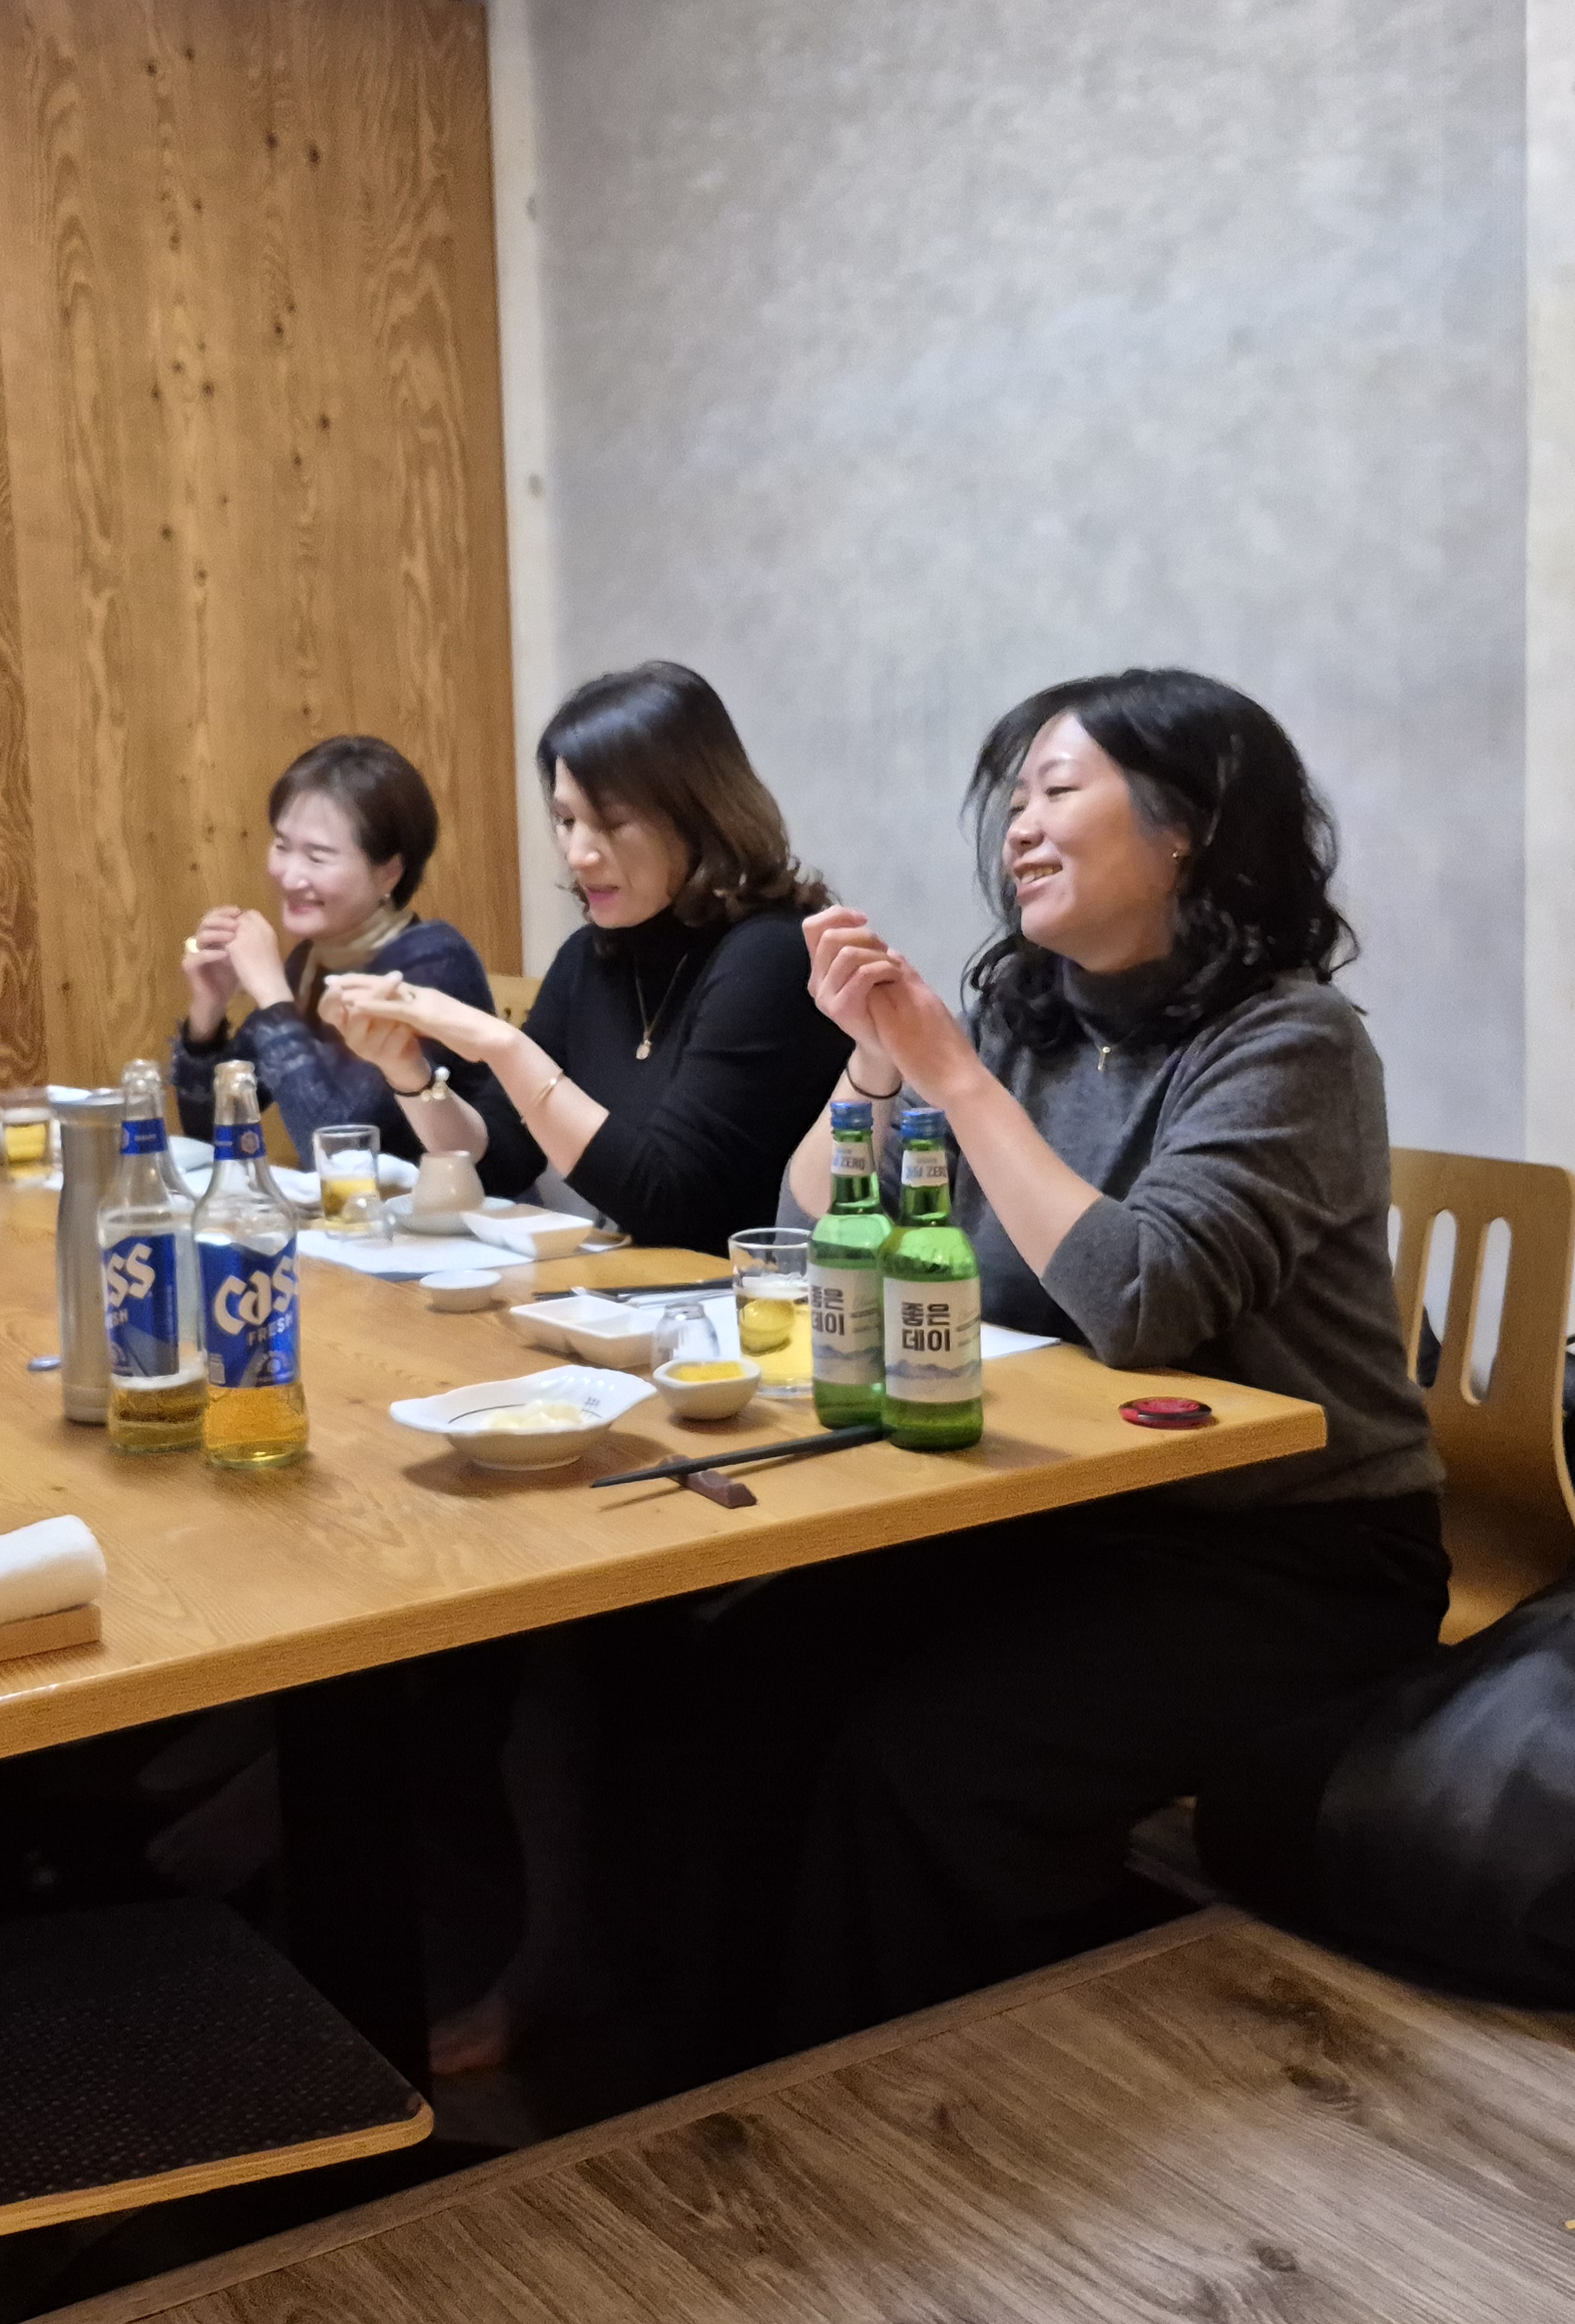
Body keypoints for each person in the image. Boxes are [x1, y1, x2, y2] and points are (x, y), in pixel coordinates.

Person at [598, 667, 1449, 2073]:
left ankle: (895, 2100)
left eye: (1059, 789)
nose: (1020, 826)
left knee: (927, 1762)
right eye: (1014, 799)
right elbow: (808, 1224)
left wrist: (953, 1072)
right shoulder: (1029, 1021)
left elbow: (1139, 1299)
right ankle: (702, 2070)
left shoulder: (1291, 1042)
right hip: (1069, 1506)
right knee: (737, 1671)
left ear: (1189, 828)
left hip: (1295, 1550)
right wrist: (876, 1069)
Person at [322, 663, 848, 1255]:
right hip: (645, 1293)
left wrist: (503, 1046)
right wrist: (409, 1074)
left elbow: (673, 1204)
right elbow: (497, 1162)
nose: (577, 854)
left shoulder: (771, 954)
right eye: (566, 820)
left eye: (612, 823)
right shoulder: (591, 956)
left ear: (700, 815)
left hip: (765, 1299)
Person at [170, 735, 493, 1160]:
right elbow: (210, 1132)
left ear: (389, 873)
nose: (289, 877)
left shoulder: (434, 962)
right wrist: (207, 1016)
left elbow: (340, 1149)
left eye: (317, 857)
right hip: (360, 1205)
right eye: (282, 846)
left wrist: (273, 996)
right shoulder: (311, 960)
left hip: (465, 1203)